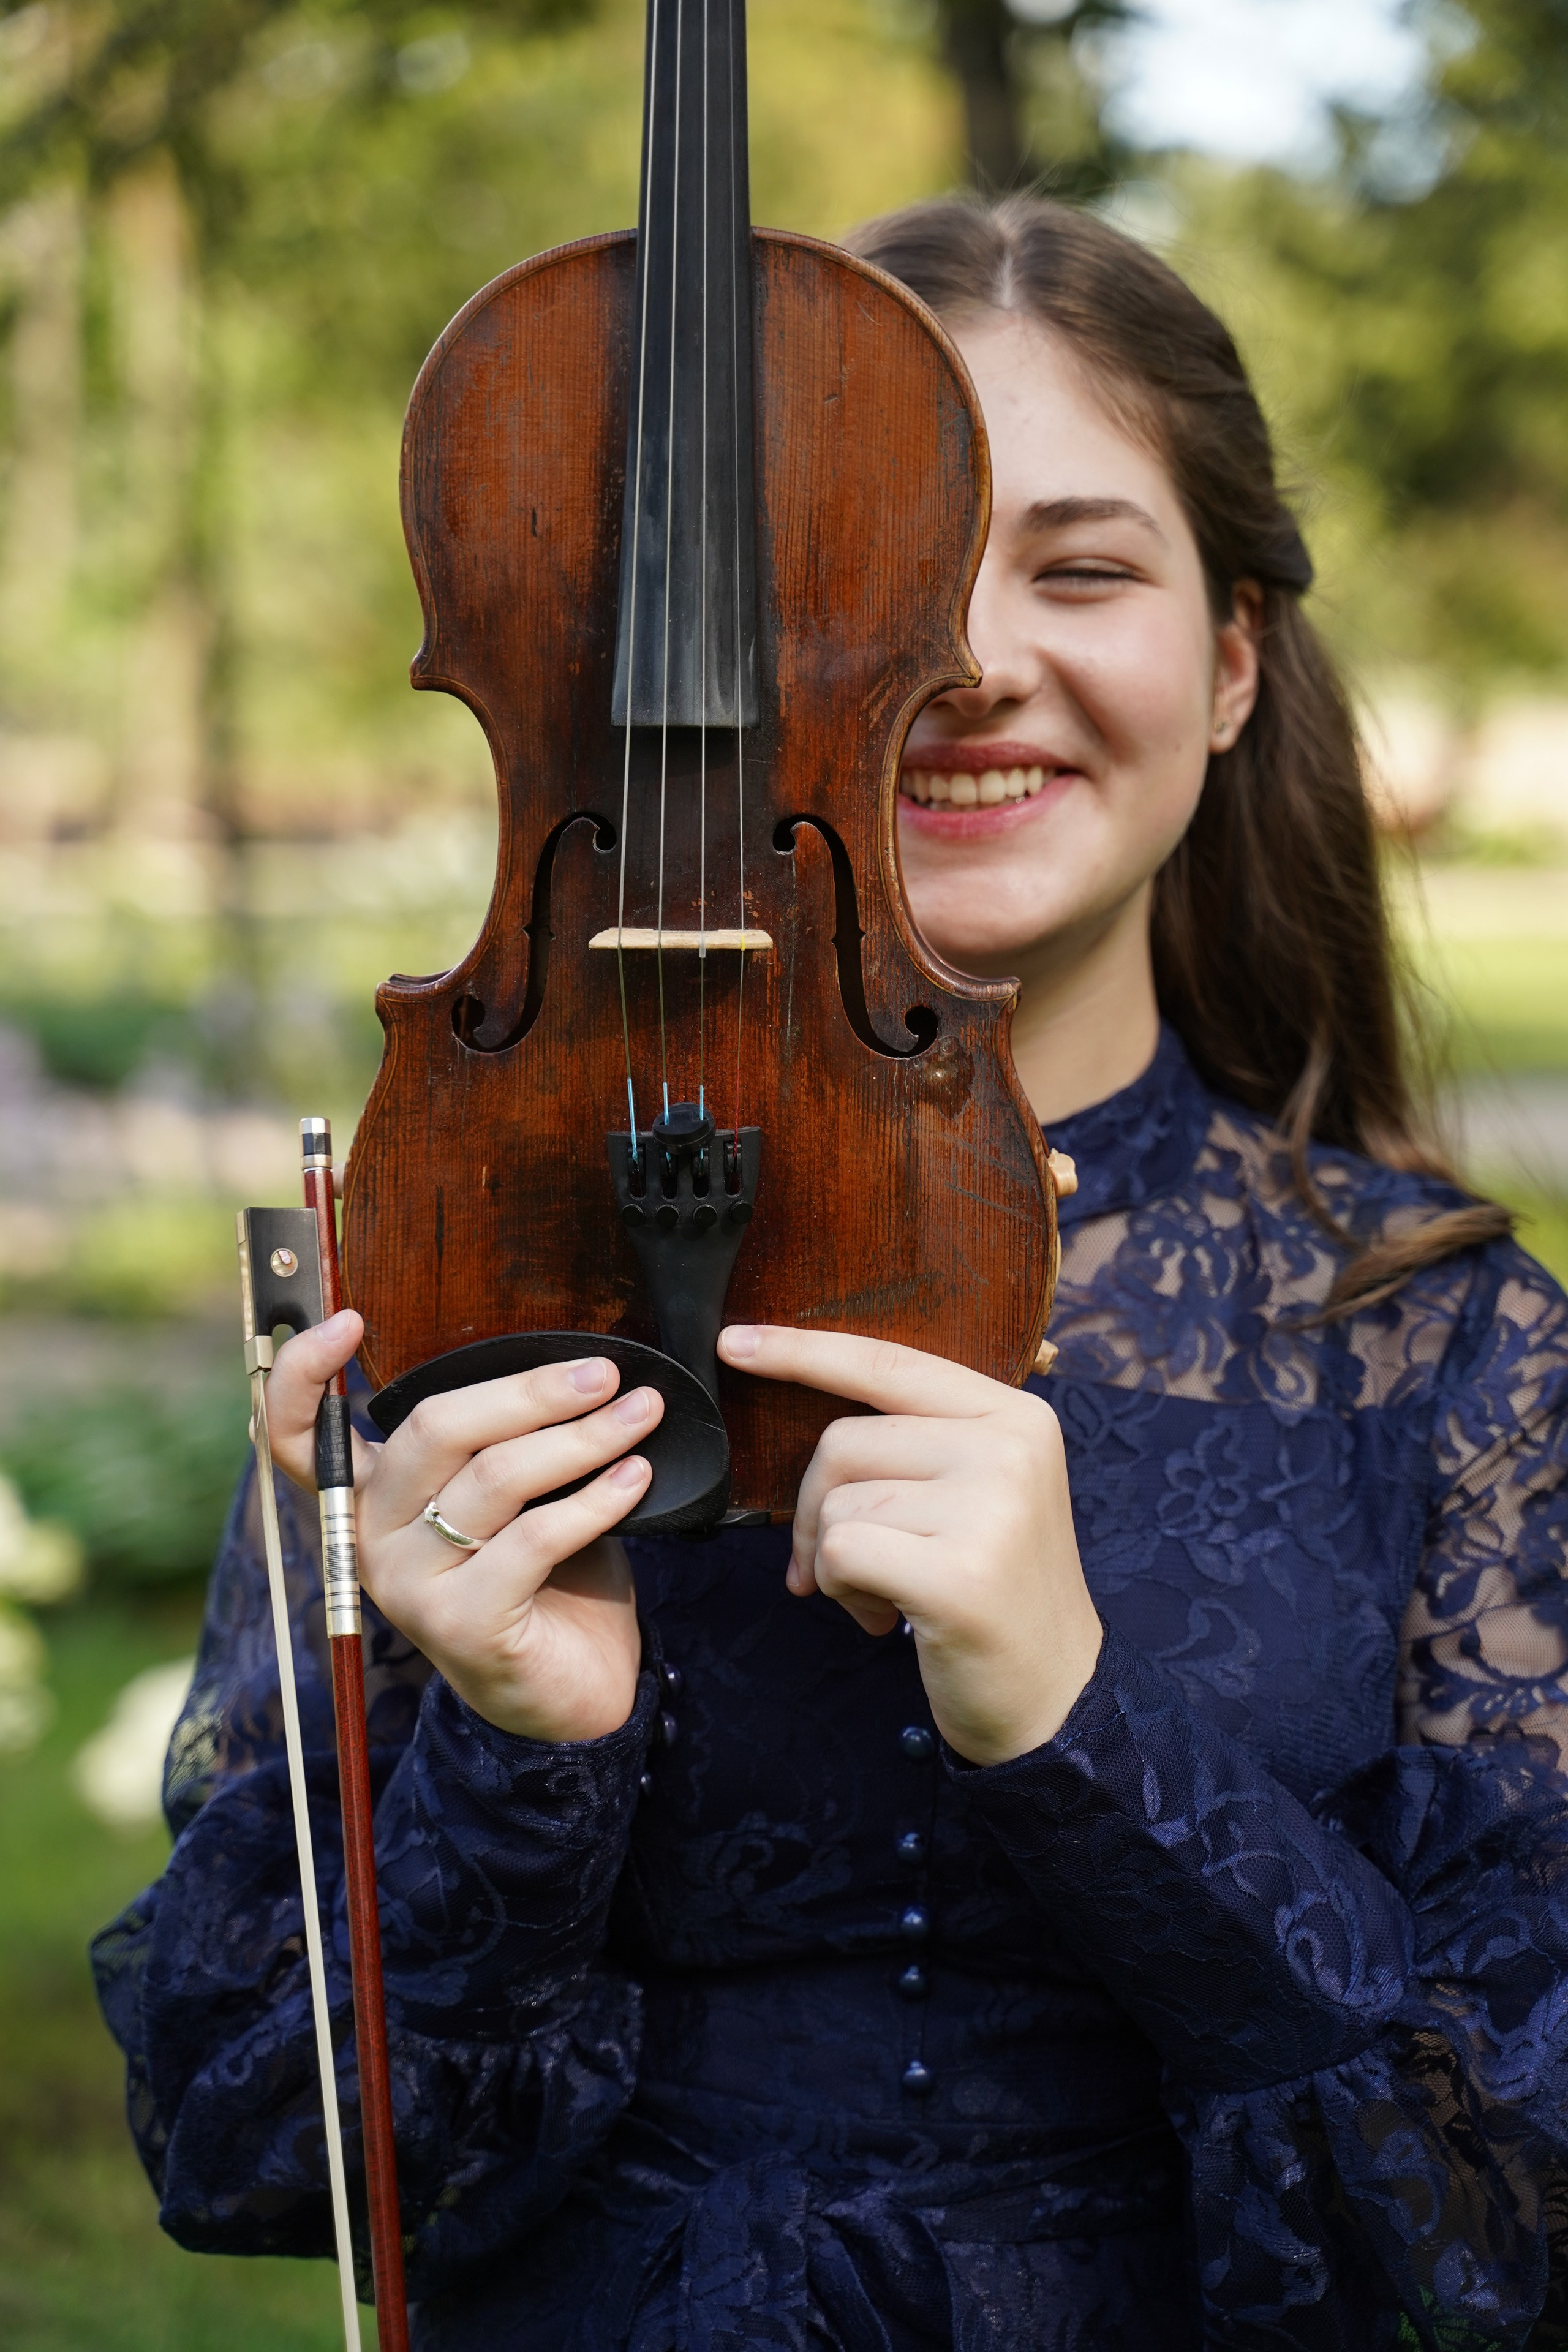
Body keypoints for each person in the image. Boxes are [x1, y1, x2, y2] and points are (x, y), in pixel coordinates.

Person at [93, 196, 1568, 2349]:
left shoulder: (1457, 1359)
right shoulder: (444, 1263)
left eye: (1080, 565)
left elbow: (1503, 2238)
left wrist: (1084, 1726)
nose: (962, 660)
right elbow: (246, 2160)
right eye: (853, 580)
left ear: (1237, 659)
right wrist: (521, 1757)